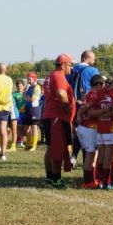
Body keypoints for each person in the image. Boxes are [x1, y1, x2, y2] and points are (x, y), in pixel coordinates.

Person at [42, 53, 77, 188]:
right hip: (57, 116)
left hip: (49, 115)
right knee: (57, 148)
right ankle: (56, 178)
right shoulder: (59, 76)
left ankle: (50, 176)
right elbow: (61, 93)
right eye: (70, 65)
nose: (71, 68)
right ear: (63, 65)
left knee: (50, 148)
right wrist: (67, 106)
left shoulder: (50, 77)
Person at [69, 51, 101, 167]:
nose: (94, 61)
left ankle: (73, 156)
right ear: (87, 58)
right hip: (88, 103)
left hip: (74, 104)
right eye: (93, 58)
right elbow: (99, 83)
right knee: (89, 132)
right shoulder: (92, 70)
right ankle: (87, 161)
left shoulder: (72, 69)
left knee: (78, 131)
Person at [75, 74, 105, 189]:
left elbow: (83, 108)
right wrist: (105, 110)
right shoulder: (93, 95)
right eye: (102, 85)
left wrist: (78, 115)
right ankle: (88, 181)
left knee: (91, 154)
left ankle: (91, 179)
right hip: (89, 128)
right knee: (90, 154)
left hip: (84, 127)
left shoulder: (88, 94)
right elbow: (90, 111)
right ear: (98, 85)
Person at [23, 72, 42, 151]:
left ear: (34, 78)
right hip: (27, 108)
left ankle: (34, 145)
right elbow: (24, 97)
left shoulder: (37, 87)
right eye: (27, 79)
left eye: (29, 78)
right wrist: (26, 95)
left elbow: (33, 98)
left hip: (34, 109)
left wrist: (27, 97)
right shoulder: (29, 87)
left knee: (34, 127)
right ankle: (28, 143)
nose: (28, 80)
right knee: (26, 127)